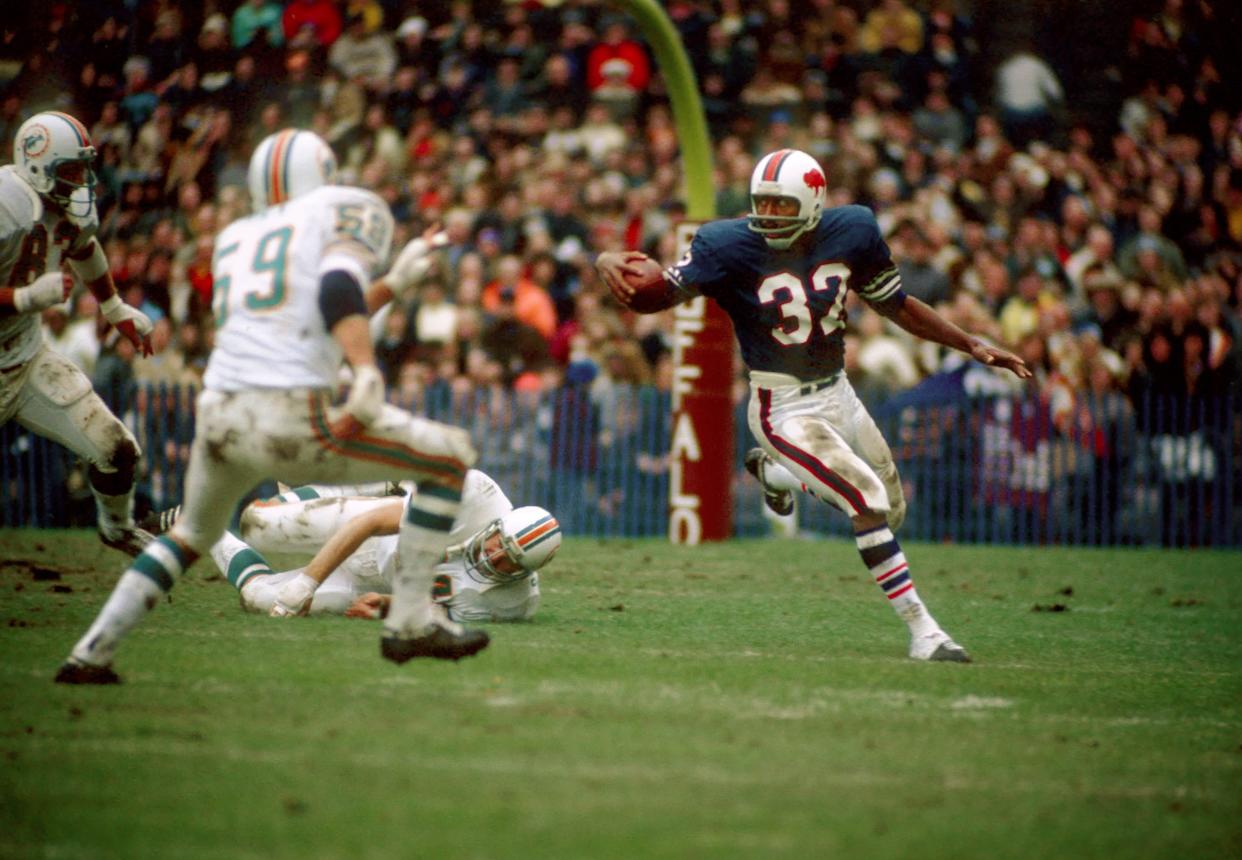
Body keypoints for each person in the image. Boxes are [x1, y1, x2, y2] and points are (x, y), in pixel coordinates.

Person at [57, 129, 487, 684]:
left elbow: (311, 314)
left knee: (193, 535)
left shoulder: (238, 237)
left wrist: (395, 283)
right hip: (285, 415)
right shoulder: (338, 218)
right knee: (449, 460)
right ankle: (407, 623)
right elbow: (337, 293)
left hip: (218, 414)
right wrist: (367, 369)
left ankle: (90, 653)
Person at [597, 148, 1032, 662]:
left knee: (890, 510)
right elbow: (657, 296)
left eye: (781, 205)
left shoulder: (853, 230)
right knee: (866, 501)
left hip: (838, 392)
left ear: (812, 202)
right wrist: (609, 261)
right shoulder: (726, 244)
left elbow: (895, 305)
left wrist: (972, 344)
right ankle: (925, 631)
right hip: (782, 407)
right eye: (762, 203)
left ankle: (779, 477)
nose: (768, 215)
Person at [0, 111, 155, 557]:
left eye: (84, 169)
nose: (81, 181)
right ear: (35, 166)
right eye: (70, 171)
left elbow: (84, 246)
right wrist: (25, 298)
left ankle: (117, 527)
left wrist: (113, 306)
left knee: (118, 450)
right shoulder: (7, 204)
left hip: (26, 357)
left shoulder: (63, 207)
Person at [146, 470, 560, 623]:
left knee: (258, 599)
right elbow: (370, 524)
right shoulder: (472, 497)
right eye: (499, 543)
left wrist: (384, 604)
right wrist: (308, 581)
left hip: (376, 578)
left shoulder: (513, 603)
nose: (494, 556)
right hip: (373, 528)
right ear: (497, 524)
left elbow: (442, 609)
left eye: (509, 562)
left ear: (524, 574)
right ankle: (370, 482)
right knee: (257, 524)